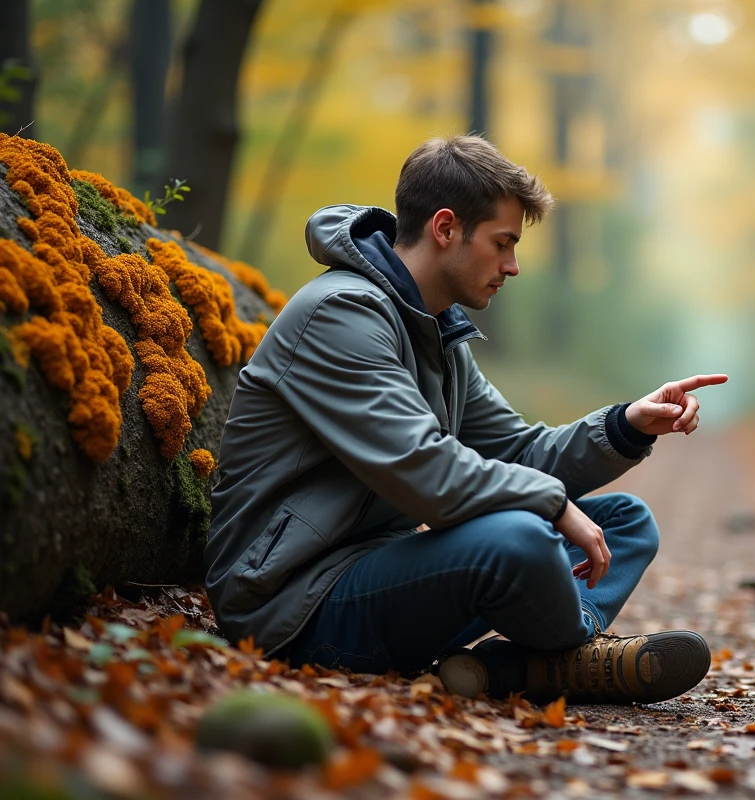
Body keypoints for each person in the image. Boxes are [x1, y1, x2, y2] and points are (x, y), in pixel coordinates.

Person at [204, 135, 727, 704]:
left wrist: (626, 424)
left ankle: (520, 667)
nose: (514, 266)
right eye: (502, 243)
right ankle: (562, 659)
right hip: (293, 608)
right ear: (446, 228)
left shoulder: (437, 333)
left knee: (624, 521)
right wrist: (550, 503)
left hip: (376, 574)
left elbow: (520, 452)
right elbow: (426, 470)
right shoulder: (340, 315)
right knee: (522, 538)